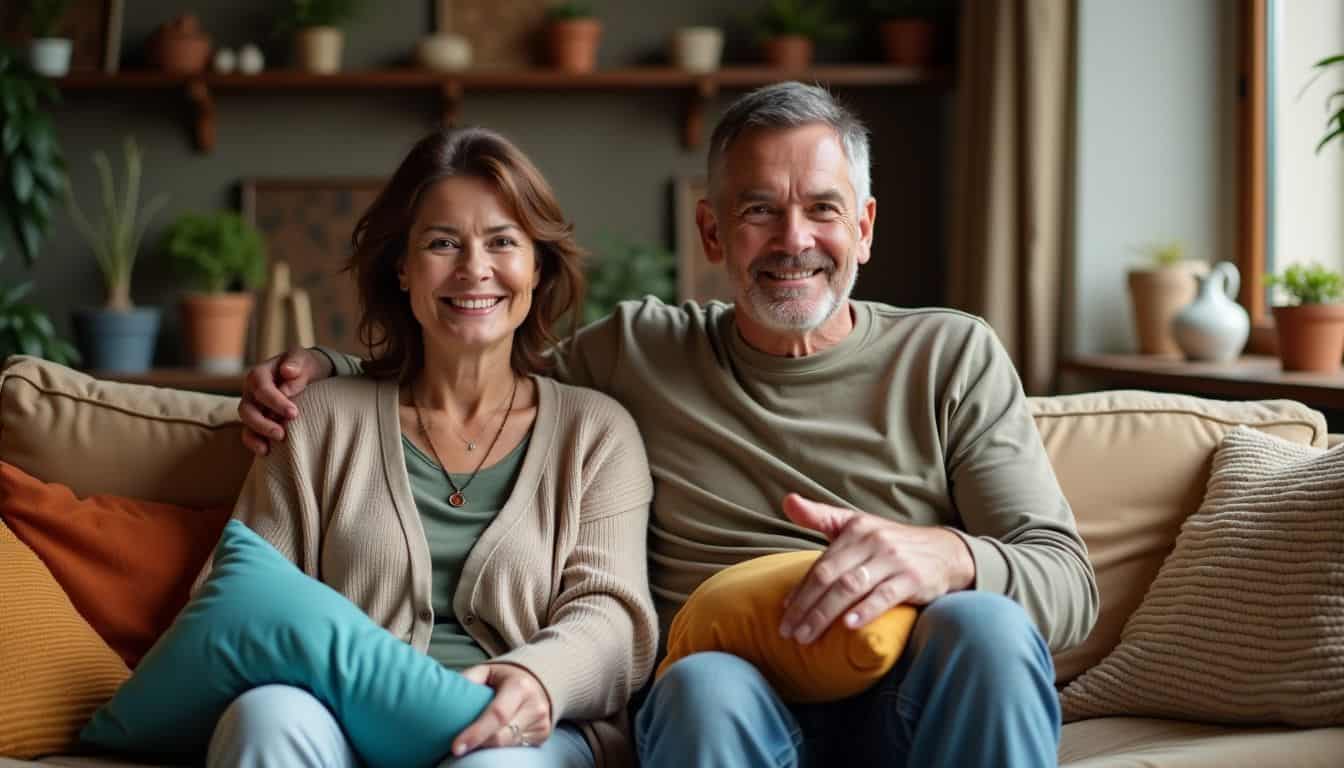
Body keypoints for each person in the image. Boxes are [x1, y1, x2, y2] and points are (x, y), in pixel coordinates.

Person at [237, 83, 1099, 767]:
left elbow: (1068, 585)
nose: (792, 239)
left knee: (988, 626)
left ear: (864, 228)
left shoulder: (952, 355)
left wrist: (942, 554)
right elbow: (476, 362)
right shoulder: (639, 352)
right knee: (698, 687)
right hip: (735, 710)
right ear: (711, 231)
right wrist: (328, 372)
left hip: (915, 696)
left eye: (823, 209)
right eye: (759, 209)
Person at [208, 127, 657, 768]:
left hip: (519, 733)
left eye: (503, 242)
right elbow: (247, 597)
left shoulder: (597, 435)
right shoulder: (313, 419)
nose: (475, 269)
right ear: (402, 267)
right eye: (443, 243)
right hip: (344, 716)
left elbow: (613, 616)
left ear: (537, 266)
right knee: (266, 717)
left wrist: (538, 680)